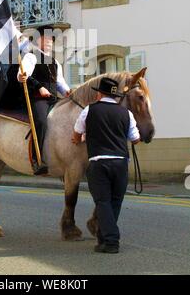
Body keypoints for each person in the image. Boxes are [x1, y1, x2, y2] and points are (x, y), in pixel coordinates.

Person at [72, 77, 140, 253]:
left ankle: (111, 242)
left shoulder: (89, 110)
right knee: (115, 202)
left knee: (103, 202)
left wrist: (83, 138)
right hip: (120, 163)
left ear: (99, 94)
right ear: (115, 95)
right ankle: (103, 237)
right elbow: (136, 139)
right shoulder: (127, 113)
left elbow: (76, 134)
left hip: (98, 162)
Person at [18, 26, 71, 175]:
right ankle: (36, 160)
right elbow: (23, 75)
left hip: (54, 99)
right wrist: (39, 87)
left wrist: (68, 92)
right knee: (41, 121)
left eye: (51, 39)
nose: (48, 41)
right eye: (45, 38)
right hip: (37, 99)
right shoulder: (31, 56)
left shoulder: (55, 62)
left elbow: (60, 83)